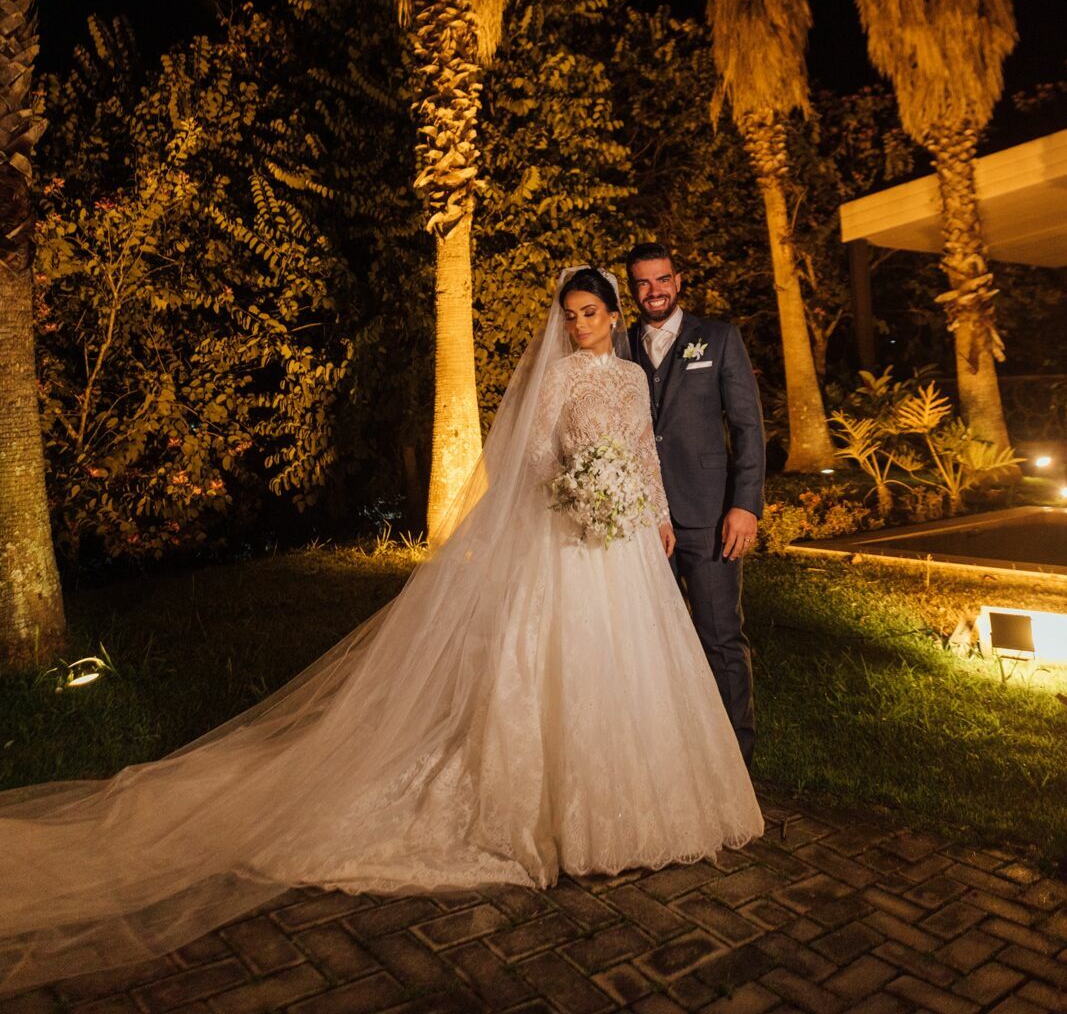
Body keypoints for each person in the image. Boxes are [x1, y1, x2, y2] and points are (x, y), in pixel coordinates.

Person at [0, 267, 762, 995]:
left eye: (588, 314)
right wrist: (575, 490)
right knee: (560, 664)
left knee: (634, 668)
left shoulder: (630, 377)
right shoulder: (557, 377)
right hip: (569, 533)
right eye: (567, 316)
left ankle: (639, 805)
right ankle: (557, 814)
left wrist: (653, 516)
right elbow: (533, 461)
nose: (576, 326)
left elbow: (640, 453)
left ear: (612, 315)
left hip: (624, 540)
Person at [626, 242, 766, 767]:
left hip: (710, 516)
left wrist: (745, 505)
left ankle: (735, 761)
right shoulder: (622, 347)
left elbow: (749, 427)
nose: (653, 291)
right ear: (633, 288)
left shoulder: (719, 338)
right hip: (642, 520)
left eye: (661, 280)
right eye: (642, 283)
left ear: (678, 281)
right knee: (653, 640)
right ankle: (672, 756)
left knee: (720, 637)